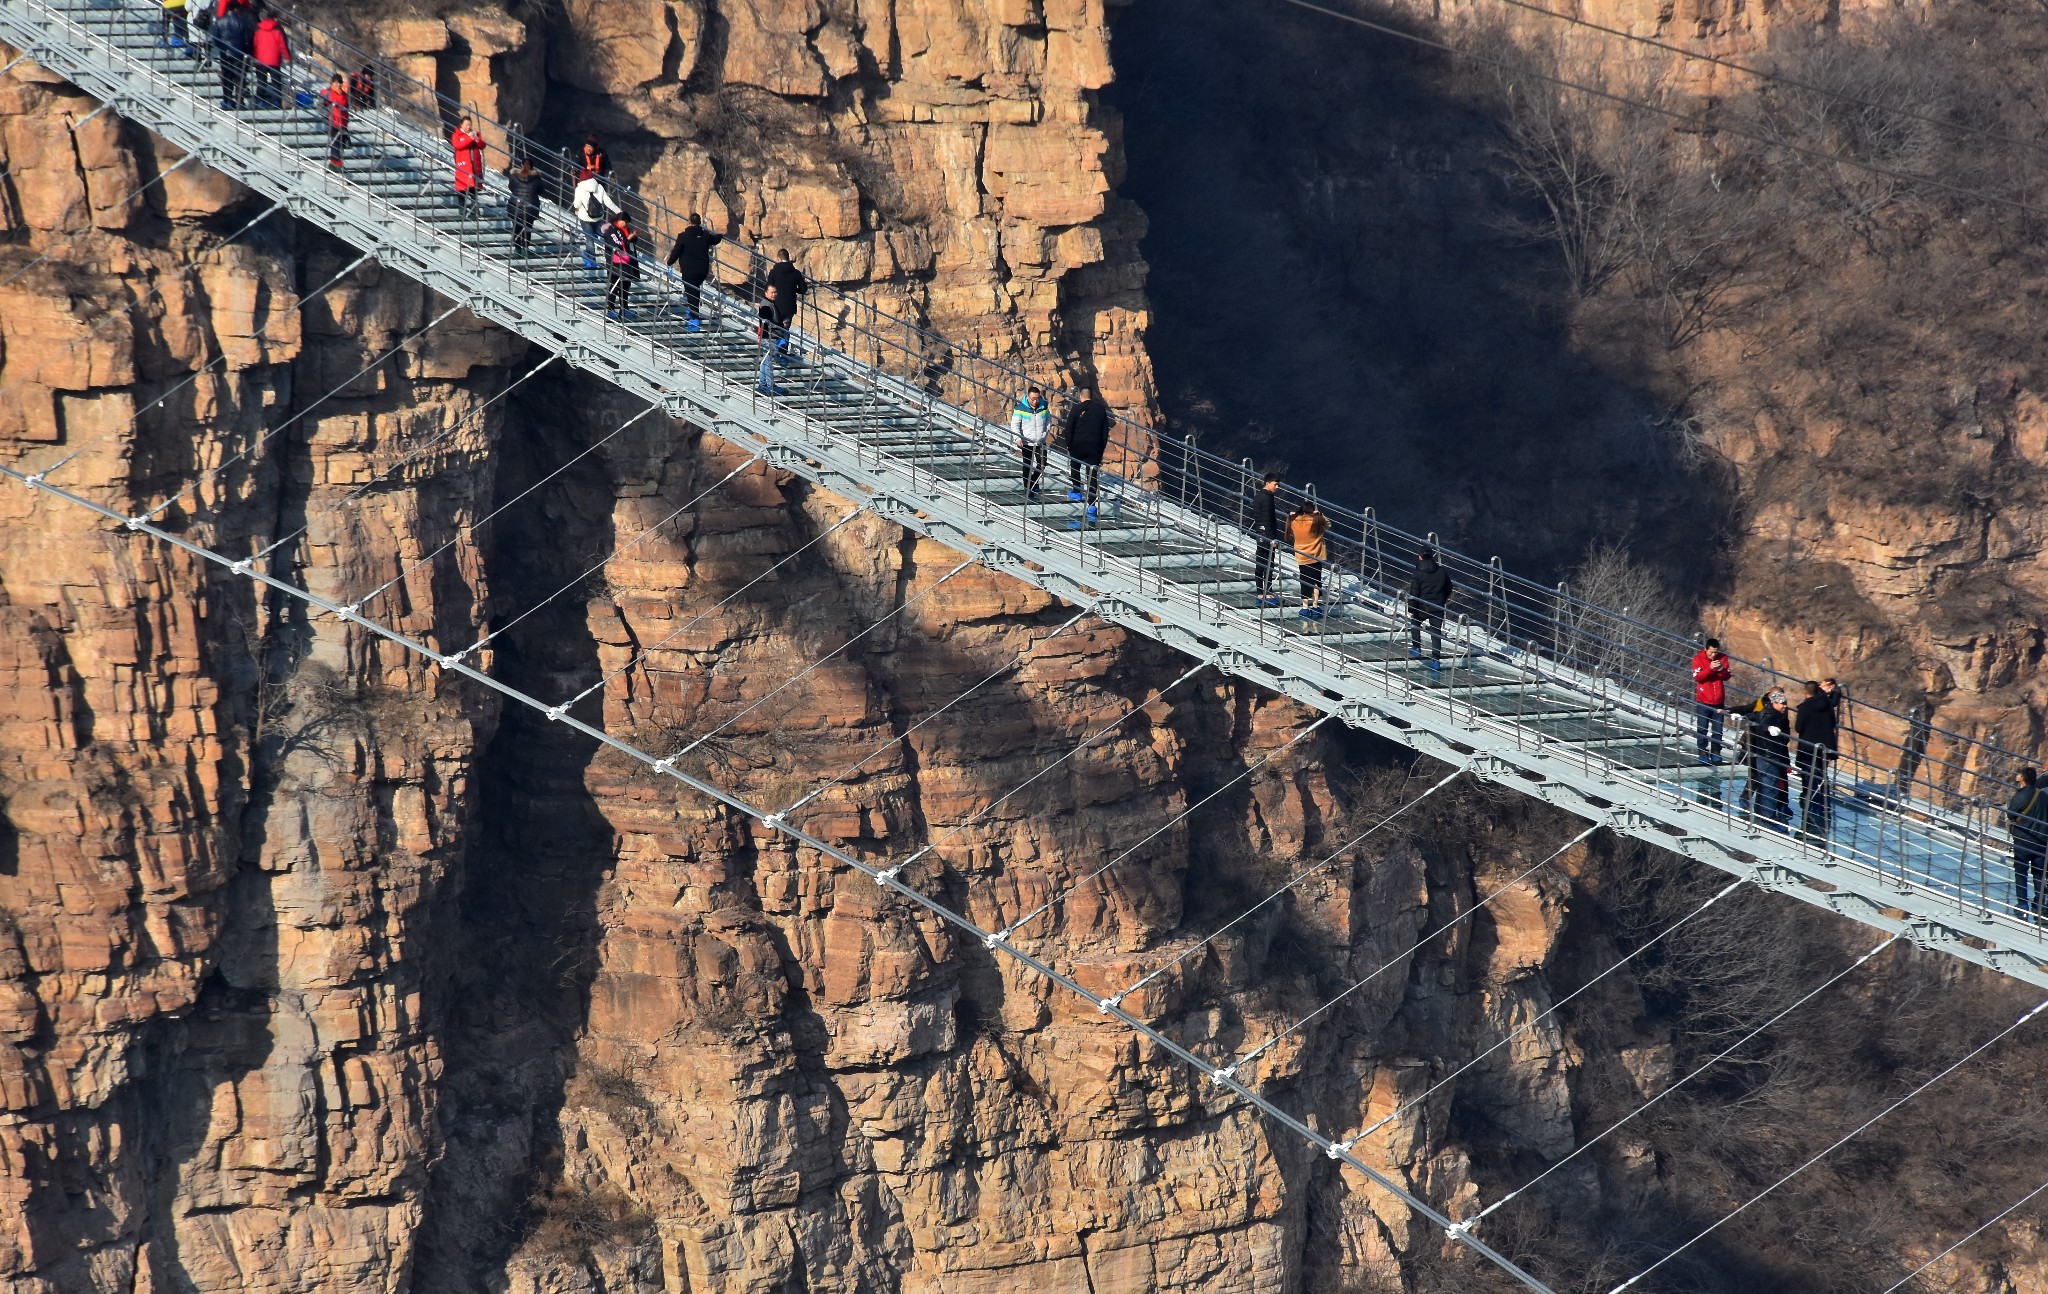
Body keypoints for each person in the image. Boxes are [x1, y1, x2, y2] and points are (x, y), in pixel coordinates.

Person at [1794, 678, 1841, 838]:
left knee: (1809, 778)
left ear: (1805, 693)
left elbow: (1798, 727)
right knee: (1821, 775)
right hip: (1825, 747)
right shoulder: (1827, 703)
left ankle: (1813, 810)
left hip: (1808, 748)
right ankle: (1822, 808)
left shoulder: (1805, 708)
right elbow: (1833, 722)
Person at [664, 213, 721, 330]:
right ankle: (694, 312)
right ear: (700, 222)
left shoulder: (683, 236)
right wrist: (720, 235)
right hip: (702, 270)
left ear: (689, 221)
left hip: (689, 269)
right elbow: (715, 240)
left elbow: (677, 251)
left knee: (690, 292)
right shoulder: (705, 235)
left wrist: (669, 262)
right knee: (695, 290)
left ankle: (695, 317)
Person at [1747, 691, 1795, 828]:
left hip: (1764, 754)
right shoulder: (1771, 715)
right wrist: (1769, 728)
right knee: (1770, 788)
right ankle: (1768, 820)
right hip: (1769, 755)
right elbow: (1763, 725)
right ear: (1774, 703)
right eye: (1782, 704)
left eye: (1785, 703)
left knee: (1764, 786)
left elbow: (1752, 716)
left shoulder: (1766, 711)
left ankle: (1761, 815)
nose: (1785, 706)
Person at [1063, 389, 1109, 528]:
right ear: (1092, 397)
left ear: (1081, 397)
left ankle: (1077, 491)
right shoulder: (1101, 410)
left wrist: (1069, 445)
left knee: (1075, 466)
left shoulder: (1076, 409)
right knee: (1092, 474)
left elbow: (1069, 428)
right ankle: (1092, 504)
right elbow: (1105, 431)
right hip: (1095, 446)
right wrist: (1101, 448)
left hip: (1078, 444)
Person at [2006, 769, 2048, 919]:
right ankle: (2040, 904)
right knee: (2038, 874)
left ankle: (2023, 904)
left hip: (2023, 840)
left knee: (2021, 872)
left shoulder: (2021, 795)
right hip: (2042, 840)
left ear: (2022, 778)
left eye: (2018, 774)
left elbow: (2011, 813)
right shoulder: (2043, 796)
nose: (2016, 775)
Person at [1404, 549, 1453, 669]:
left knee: (1415, 623)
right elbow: (1449, 587)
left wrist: (1411, 608)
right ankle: (1435, 660)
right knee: (1436, 633)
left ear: (1420, 556)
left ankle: (1416, 648)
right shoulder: (1441, 571)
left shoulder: (1417, 573)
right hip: (1437, 607)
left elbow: (1414, 593)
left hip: (1421, 607)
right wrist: (1442, 600)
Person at [1691, 638, 1733, 764]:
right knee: (1702, 728)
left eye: (1715, 653)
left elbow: (1727, 676)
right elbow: (1698, 677)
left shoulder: (1723, 658)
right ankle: (1702, 751)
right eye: (1711, 653)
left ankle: (1716, 751)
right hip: (1703, 700)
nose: (1713, 655)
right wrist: (1710, 668)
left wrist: (1721, 669)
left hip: (1718, 701)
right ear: (1706, 649)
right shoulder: (1698, 659)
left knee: (1717, 729)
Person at [1290, 499, 1331, 620]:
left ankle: (1304, 608)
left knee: (1304, 581)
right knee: (1316, 581)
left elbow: (1291, 521)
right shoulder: (1317, 522)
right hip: (1316, 556)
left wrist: (1294, 515)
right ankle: (1315, 606)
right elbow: (1328, 524)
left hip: (1302, 557)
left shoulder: (1295, 522)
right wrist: (1321, 514)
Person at [571, 167, 619, 270]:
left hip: (585, 218)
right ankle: (614, 256)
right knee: (606, 234)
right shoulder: (599, 187)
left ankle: (592, 263)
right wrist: (620, 212)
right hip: (598, 218)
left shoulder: (579, 188)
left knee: (590, 239)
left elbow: (576, 204)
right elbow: (608, 202)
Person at [210, 0, 253, 109]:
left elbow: (215, 37)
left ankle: (227, 100)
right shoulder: (242, 22)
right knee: (240, 77)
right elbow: (247, 40)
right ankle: (240, 101)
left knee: (227, 77)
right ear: (236, 9)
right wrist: (248, 52)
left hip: (225, 53)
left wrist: (221, 48)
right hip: (239, 53)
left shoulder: (219, 21)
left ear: (228, 9)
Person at [1011, 386, 1052, 500]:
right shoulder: (1020, 408)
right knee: (1027, 465)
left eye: (1037, 398)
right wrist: (1017, 438)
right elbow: (1015, 425)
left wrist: (1045, 432)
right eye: (1033, 399)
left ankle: (1033, 481)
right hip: (1026, 442)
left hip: (1040, 441)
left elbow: (1048, 419)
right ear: (1028, 397)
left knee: (1042, 463)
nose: (1036, 401)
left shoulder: (1043, 406)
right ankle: (1028, 487)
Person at [1252, 472, 1284, 608]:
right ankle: (1268, 592)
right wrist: (1273, 538)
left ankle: (1261, 592)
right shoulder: (1267, 498)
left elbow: (1255, 515)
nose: (1277, 487)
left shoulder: (1258, 496)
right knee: (1269, 564)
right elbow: (1268, 519)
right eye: (1275, 484)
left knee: (1261, 562)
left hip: (1260, 533)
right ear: (1267, 483)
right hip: (1267, 535)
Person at [249, 11, 288, 107]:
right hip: (274, 60)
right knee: (276, 82)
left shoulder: (258, 28)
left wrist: (254, 56)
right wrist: (287, 57)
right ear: (275, 18)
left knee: (261, 81)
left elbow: (255, 44)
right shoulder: (278, 29)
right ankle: (276, 102)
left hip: (260, 60)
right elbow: (282, 45)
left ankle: (260, 101)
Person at [604, 214, 639, 319]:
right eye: (624, 221)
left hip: (627, 261)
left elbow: (631, 243)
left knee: (626, 286)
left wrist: (633, 237)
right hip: (615, 262)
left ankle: (624, 308)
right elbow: (617, 244)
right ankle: (610, 309)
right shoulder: (611, 230)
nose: (625, 223)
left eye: (627, 222)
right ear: (618, 220)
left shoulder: (625, 229)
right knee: (615, 285)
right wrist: (629, 238)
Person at [450, 116, 486, 218]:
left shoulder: (474, 135)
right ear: (461, 125)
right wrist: (470, 138)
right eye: (466, 125)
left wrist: (477, 139)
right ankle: (462, 210)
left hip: (474, 167)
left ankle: (475, 210)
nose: (468, 127)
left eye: (470, 125)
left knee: (473, 189)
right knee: (461, 189)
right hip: (463, 167)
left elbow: (482, 145)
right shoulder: (457, 135)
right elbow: (458, 145)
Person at [504, 160, 541, 252]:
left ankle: (517, 247)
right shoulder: (536, 178)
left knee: (516, 226)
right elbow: (541, 190)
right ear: (532, 167)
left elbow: (511, 188)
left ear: (521, 165)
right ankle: (525, 247)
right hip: (530, 207)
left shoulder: (514, 176)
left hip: (515, 205)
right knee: (528, 228)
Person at [756, 285, 784, 395]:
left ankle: (763, 385)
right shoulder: (766, 305)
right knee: (768, 362)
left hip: (768, 337)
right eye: (772, 292)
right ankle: (769, 386)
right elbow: (765, 322)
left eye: (775, 292)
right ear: (766, 293)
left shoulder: (769, 303)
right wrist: (779, 326)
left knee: (765, 362)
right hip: (769, 337)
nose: (774, 294)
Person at [320, 73, 349, 168]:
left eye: (339, 83)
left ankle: (334, 162)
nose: (337, 85)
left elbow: (346, 107)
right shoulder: (327, 93)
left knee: (341, 142)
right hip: (332, 121)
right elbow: (320, 105)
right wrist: (327, 115)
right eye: (335, 83)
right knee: (335, 141)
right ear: (332, 83)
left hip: (342, 122)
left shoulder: (344, 95)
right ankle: (337, 163)